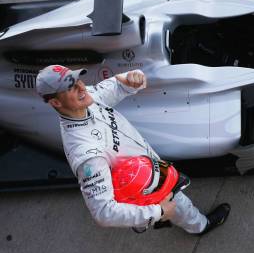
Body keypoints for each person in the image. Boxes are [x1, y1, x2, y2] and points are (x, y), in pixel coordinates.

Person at [35, 64, 230, 234]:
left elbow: (119, 84)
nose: (81, 87)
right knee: (180, 203)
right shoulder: (85, 153)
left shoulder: (86, 98)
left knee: (175, 202)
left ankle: (166, 219)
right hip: (145, 182)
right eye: (70, 87)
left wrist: (133, 77)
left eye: (77, 79)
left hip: (149, 163)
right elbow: (103, 212)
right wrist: (158, 212)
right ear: (56, 102)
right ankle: (200, 226)